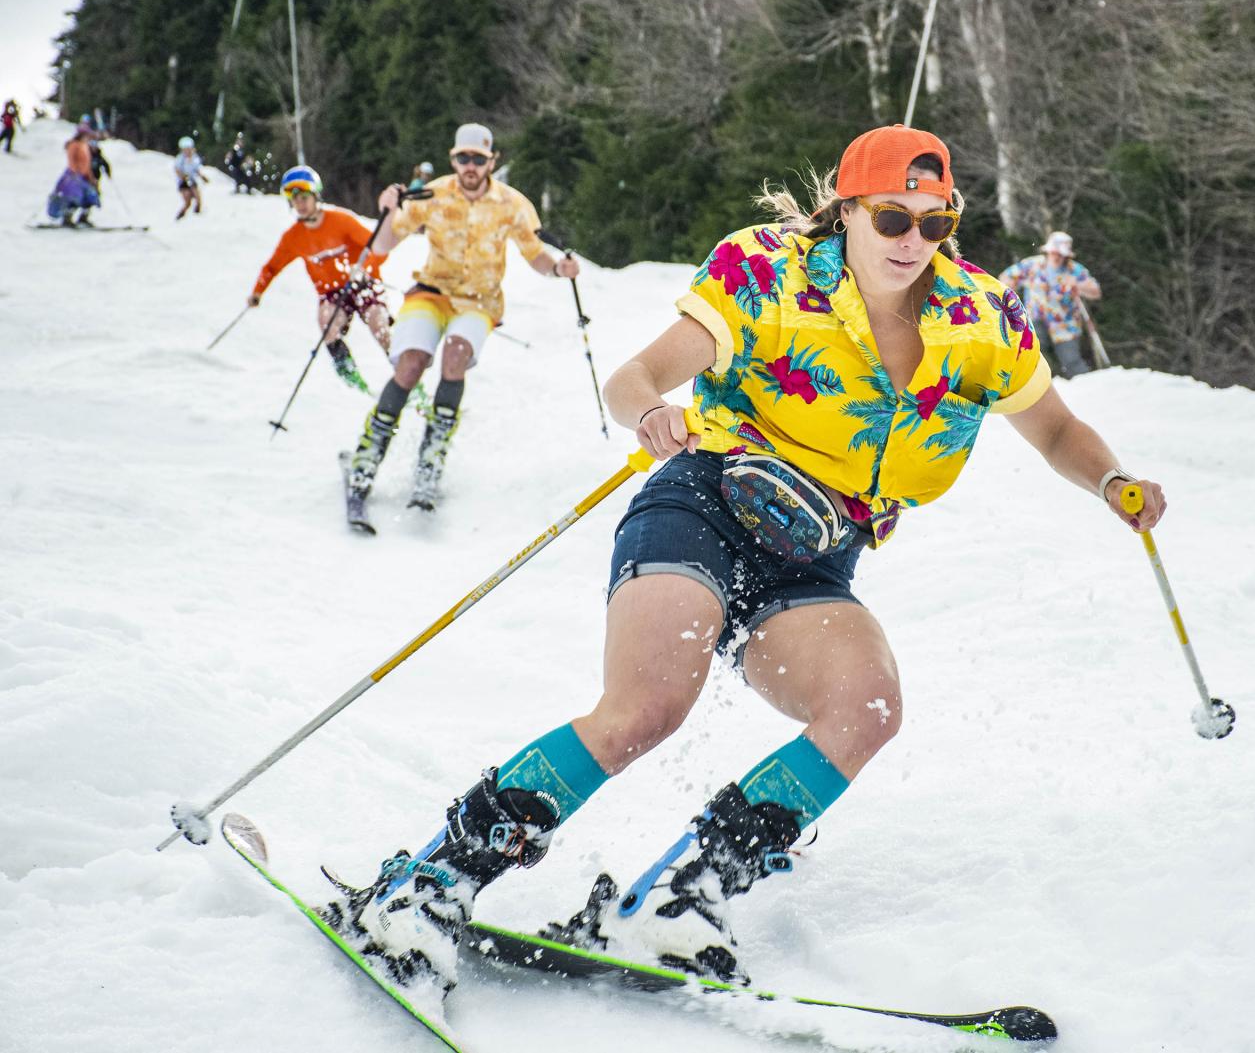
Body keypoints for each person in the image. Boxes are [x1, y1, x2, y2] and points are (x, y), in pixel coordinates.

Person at [317, 123, 1166, 999]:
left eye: (934, 223)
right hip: (706, 504)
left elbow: (1056, 428)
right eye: (891, 218)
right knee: (647, 708)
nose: (913, 240)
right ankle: (426, 886)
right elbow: (634, 377)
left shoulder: (979, 316)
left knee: (866, 707)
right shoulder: (767, 271)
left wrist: (1113, 481)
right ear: (847, 210)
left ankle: (681, 898)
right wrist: (652, 412)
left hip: (817, 555)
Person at [344, 122, 579, 509]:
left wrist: (557, 268)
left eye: (478, 159)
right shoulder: (432, 194)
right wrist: (387, 210)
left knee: (455, 355)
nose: (471, 166)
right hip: (430, 292)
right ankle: (368, 454)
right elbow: (384, 244)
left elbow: (535, 252)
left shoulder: (512, 204)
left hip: (479, 302)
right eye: (464, 158)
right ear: (453, 159)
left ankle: (432, 457)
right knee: (411, 363)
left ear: (492, 162)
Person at [248, 165, 392, 392]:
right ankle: (353, 381)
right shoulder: (293, 237)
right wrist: (258, 291)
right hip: (332, 292)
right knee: (327, 324)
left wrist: (364, 267)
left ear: (316, 196)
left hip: (363, 283)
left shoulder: (341, 221)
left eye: (304, 198)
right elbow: (272, 266)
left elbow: (379, 248)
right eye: (295, 200)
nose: (300, 205)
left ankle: (407, 377)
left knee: (379, 324)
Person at [999, 231, 1102, 379]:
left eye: (1060, 254)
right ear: (1048, 251)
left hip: (1064, 324)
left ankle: (1087, 385)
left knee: (1071, 361)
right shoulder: (1032, 265)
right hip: (1035, 318)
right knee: (1031, 354)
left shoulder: (1074, 270)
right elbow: (1005, 277)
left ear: (1066, 255)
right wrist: (1009, 289)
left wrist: (1078, 285)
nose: (1056, 256)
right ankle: (1037, 384)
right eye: (1053, 252)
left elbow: (1096, 291)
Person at [47, 128, 100, 226]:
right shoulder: (74, 144)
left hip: (84, 176)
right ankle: (67, 217)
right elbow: (72, 160)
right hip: (74, 176)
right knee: (75, 197)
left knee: (90, 196)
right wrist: (75, 172)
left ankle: (83, 217)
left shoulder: (85, 145)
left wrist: (91, 178)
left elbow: (87, 164)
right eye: (87, 135)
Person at [174, 136, 207, 219]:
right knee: (188, 201)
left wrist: (202, 177)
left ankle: (198, 213)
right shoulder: (180, 158)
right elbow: (177, 169)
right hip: (183, 181)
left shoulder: (194, 157)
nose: (188, 151)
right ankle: (181, 214)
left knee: (197, 196)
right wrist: (182, 177)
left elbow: (196, 169)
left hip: (191, 180)